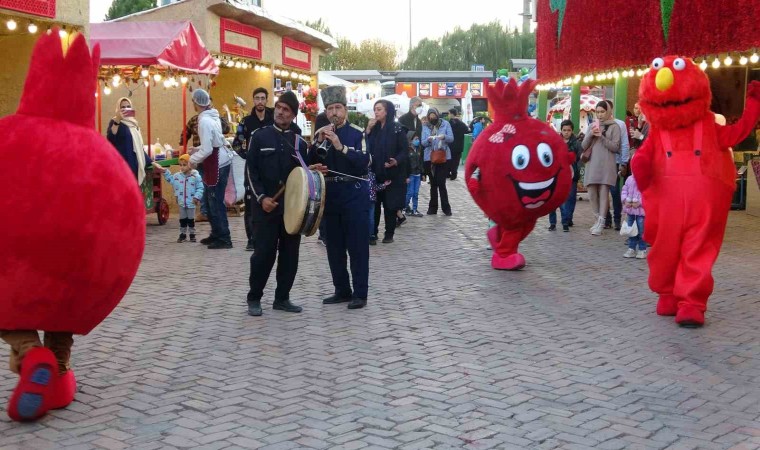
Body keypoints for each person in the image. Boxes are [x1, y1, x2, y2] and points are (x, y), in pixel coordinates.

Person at [246, 91, 325, 316]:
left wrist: (313, 168)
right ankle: (254, 297)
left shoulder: (298, 142)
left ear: (292, 115)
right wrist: (261, 198)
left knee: (290, 254)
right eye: (279, 107)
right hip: (265, 208)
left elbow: (303, 170)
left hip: (292, 208)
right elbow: (250, 171)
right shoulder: (259, 137)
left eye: (286, 110)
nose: (280, 112)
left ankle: (282, 298)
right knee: (263, 254)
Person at [310, 86, 371, 310]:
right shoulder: (321, 131)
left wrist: (340, 146)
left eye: (337, 108)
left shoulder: (357, 132)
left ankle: (360, 294)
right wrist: (317, 142)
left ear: (345, 110)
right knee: (333, 247)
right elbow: (309, 161)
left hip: (354, 194)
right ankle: (342, 290)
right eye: (330, 109)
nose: (334, 112)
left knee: (357, 247)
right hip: (330, 195)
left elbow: (365, 161)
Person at [188, 89, 234, 249]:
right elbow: (213, 142)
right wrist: (197, 149)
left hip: (216, 163)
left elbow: (208, 149)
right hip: (220, 160)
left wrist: (192, 160)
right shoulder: (211, 117)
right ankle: (216, 233)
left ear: (196, 103)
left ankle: (224, 237)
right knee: (211, 199)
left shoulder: (204, 121)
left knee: (215, 201)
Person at [232, 87, 275, 251]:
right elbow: (236, 143)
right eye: (257, 98)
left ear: (267, 99)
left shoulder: (273, 119)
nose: (260, 101)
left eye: (263, 98)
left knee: (272, 199)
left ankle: (271, 238)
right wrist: (248, 156)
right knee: (251, 203)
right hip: (252, 168)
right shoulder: (246, 122)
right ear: (253, 100)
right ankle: (252, 239)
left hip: (271, 167)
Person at [366, 100, 408, 244]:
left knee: (390, 205)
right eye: (375, 109)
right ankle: (373, 233)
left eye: (379, 109)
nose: (376, 112)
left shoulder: (397, 128)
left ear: (387, 111)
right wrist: (367, 130)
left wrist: (396, 160)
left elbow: (404, 150)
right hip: (376, 173)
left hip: (392, 174)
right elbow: (366, 146)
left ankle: (389, 234)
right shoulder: (374, 128)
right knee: (375, 204)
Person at [181, 102, 231, 222]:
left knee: (214, 194)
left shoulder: (212, 119)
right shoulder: (195, 120)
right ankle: (206, 213)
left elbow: (213, 144)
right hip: (202, 157)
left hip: (210, 158)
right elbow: (185, 133)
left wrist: (192, 160)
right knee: (203, 186)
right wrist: (186, 147)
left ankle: (220, 231)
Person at [582, 100, 621, 235]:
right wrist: (591, 134)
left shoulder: (614, 126)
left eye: (602, 112)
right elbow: (583, 146)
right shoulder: (592, 126)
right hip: (592, 163)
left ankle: (602, 222)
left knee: (604, 191)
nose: (599, 115)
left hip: (606, 163)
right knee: (591, 191)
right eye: (597, 112)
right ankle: (596, 219)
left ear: (608, 111)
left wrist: (602, 137)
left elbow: (616, 147)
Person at [154, 154, 203, 243]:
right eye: (180, 165)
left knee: (191, 219)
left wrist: (196, 197)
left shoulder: (196, 177)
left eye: (184, 165)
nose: (182, 167)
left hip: (191, 202)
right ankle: (182, 234)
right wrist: (165, 171)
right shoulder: (177, 176)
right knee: (182, 219)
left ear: (190, 165)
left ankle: (192, 234)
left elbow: (200, 188)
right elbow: (171, 180)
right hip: (181, 202)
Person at [107, 97, 153, 186]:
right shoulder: (115, 122)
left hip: (134, 166)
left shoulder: (134, 124)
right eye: (122, 107)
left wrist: (151, 161)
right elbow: (111, 138)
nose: (125, 109)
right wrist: (117, 120)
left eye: (128, 106)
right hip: (122, 167)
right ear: (118, 109)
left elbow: (139, 147)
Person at [548, 120, 582, 231]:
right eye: (564, 130)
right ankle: (561, 221)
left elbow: (579, 157)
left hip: (572, 174)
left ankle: (568, 218)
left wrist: (575, 166)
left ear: (572, 131)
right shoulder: (556, 141)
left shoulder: (576, 143)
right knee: (555, 198)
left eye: (568, 130)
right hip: (558, 174)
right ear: (561, 130)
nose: (566, 132)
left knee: (571, 197)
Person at [602, 100, 630, 231]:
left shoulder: (620, 124)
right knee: (602, 191)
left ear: (610, 110)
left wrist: (624, 162)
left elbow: (624, 144)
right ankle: (606, 218)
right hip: (601, 162)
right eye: (599, 111)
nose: (601, 113)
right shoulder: (597, 124)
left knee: (614, 191)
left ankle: (617, 219)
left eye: (604, 110)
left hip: (615, 161)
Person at [421, 107, 454, 216]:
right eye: (430, 117)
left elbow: (451, 138)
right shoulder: (425, 127)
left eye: (434, 116)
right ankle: (432, 207)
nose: (433, 119)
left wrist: (443, 137)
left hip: (443, 156)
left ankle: (446, 207)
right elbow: (423, 142)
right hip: (430, 158)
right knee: (433, 184)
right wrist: (429, 140)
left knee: (441, 183)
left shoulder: (445, 124)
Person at [621, 173, 647, 259]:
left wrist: (640, 202)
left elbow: (647, 193)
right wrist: (625, 200)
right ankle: (631, 248)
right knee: (631, 230)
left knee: (641, 231)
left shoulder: (645, 179)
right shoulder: (629, 179)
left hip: (641, 211)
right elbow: (624, 190)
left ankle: (642, 249)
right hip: (630, 211)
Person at [368, 171, 391, 245]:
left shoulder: (358, 173)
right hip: (371, 199)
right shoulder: (371, 174)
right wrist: (384, 185)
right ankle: (371, 235)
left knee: (366, 218)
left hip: (362, 199)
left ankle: (366, 235)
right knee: (371, 218)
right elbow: (375, 187)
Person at [404, 134, 424, 217]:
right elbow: (405, 164)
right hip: (411, 174)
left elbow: (421, 162)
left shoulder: (419, 149)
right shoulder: (407, 150)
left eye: (418, 139)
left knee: (416, 193)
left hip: (417, 174)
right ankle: (404, 207)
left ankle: (415, 209)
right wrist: (406, 176)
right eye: (415, 139)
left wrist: (423, 173)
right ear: (411, 140)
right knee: (410, 193)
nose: (417, 141)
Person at [447, 107, 470, 180]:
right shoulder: (461, 123)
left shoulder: (449, 123)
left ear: (451, 114)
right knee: (456, 160)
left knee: (449, 159)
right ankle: (454, 174)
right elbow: (467, 131)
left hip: (450, 145)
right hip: (459, 145)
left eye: (448, 113)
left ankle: (448, 173)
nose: (448, 115)